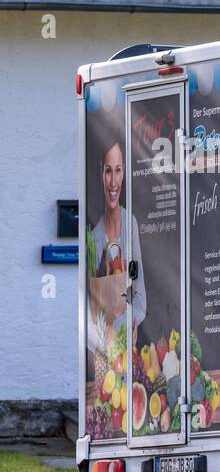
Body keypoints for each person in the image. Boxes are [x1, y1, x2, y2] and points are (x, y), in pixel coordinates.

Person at [87, 139, 146, 351]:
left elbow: (138, 292)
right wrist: (105, 334)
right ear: (101, 174)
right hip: (103, 349)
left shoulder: (131, 225)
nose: (113, 182)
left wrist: (130, 321)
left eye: (118, 170)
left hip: (128, 345)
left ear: (125, 173)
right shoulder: (94, 239)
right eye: (108, 171)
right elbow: (89, 309)